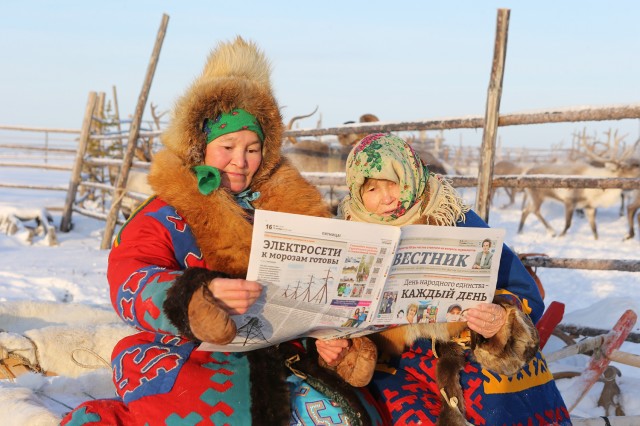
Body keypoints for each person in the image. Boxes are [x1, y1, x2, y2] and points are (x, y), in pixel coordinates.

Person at [61, 38, 384, 426]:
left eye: (253, 148)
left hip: (285, 356)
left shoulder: (295, 209)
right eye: (227, 146)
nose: (240, 161)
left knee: (347, 417)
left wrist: (334, 340)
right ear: (200, 146)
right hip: (187, 352)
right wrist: (196, 296)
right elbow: (129, 279)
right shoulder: (167, 211)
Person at [337, 133, 571, 425]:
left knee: (505, 407)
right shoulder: (348, 231)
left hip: (469, 348)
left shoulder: (453, 216)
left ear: (411, 178)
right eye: (372, 188)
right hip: (394, 361)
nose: (386, 198)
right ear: (357, 192)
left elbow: (525, 292)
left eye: (394, 183)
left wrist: (501, 318)